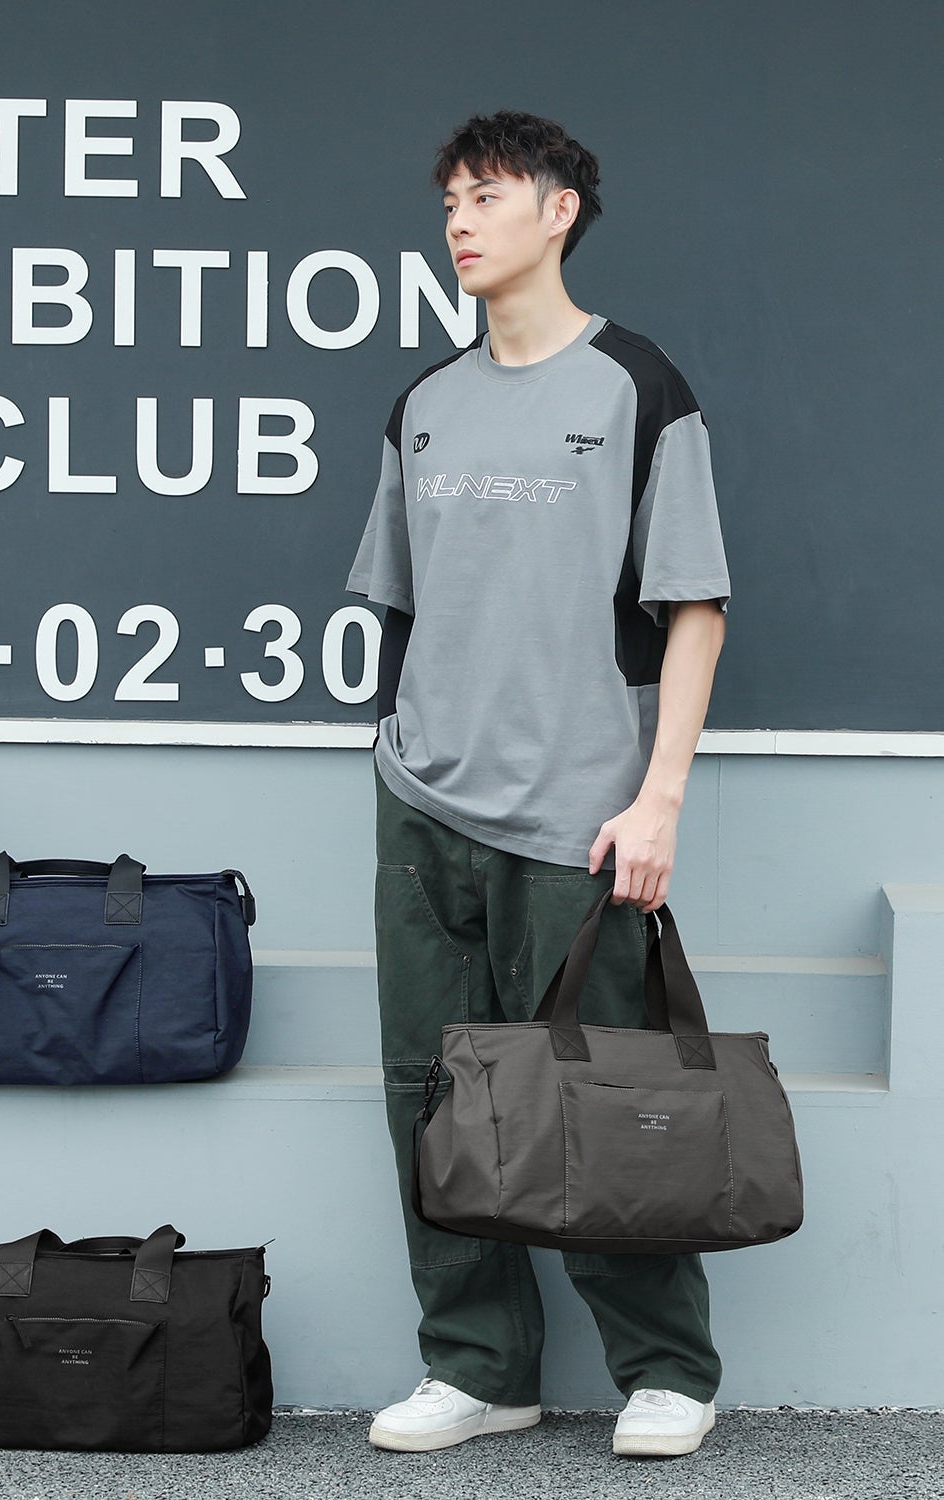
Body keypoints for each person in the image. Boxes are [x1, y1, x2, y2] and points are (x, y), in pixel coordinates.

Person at [346, 110, 731, 1459]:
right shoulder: (425, 406)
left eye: (488, 195)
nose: (460, 220)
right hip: (425, 808)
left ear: (559, 211)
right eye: (450, 200)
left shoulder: (638, 387)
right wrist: (399, 753)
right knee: (432, 1094)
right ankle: (478, 1366)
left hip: (583, 818)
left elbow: (694, 608)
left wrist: (659, 796)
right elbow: (399, 608)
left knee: (603, 1095)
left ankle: (667, 1370)